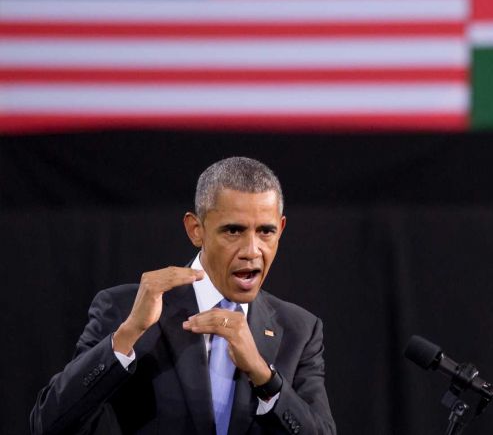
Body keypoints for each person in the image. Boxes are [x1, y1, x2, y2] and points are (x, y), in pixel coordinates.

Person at [31, 157, 336, 435]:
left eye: (265, 232)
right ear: (196, 230)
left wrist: (263, 375)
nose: (252, 250)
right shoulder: (126, 309)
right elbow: (48, 425)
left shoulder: (300, 330)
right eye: (233, 231)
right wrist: (126, 336)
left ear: (281, 229)